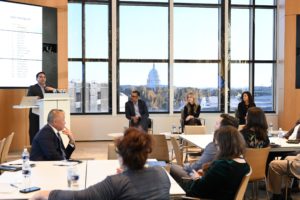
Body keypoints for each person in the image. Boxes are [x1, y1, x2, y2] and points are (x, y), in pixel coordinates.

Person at [30, 127, 171, 200]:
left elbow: (78, 198)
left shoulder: (116, 183)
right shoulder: (161, 173)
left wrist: (43, 193)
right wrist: (127, 175)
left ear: (121, 156)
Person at [180, 126, 250, 200]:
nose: (217, 148)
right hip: (222, 195)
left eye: (217, 145)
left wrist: (196, 178)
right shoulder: (245, 164)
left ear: (224, 145)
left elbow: (197, 191)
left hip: (205, 196)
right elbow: (218, 183)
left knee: (176, 184)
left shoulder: (222, 165)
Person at [170, 114, 239, 183]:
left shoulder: (214, 147)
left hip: (203, 185)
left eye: (217, 124)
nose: (214, 126)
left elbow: (196, 168)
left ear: (224, 129)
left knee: (173, 167)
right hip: (224, 185)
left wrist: (187, 166)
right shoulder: (238, 149)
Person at [27, 72, 56, 144]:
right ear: (37, 79)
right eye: (40, 77)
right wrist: (35, 98)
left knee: (46, 131)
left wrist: (54, 90)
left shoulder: (49, 88)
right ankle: (33, 147)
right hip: (35, 114)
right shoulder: (32, 87)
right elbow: (28, 99)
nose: (43, 78)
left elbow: (59, 95)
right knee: (34, 130)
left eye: (44, 77)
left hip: (47, 114)